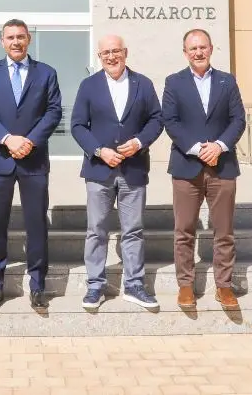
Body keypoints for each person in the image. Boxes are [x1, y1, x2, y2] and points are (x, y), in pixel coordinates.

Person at [70, 34, 164, 311]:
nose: (111, 57)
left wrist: (138, 142)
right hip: (99, 170)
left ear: (126, 52)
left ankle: (134, 285)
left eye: (116, 51)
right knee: (96, 230)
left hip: (133, 169)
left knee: (133, 230)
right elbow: (77, 125)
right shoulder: (89, 86)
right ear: (99, 57)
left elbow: (156, 119)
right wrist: (99, 150)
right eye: (105, 53)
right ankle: (95, 285)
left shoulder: (143, 84)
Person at [0, 19, 63, 310]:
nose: (16, 42)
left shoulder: (46, 73)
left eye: (21, 37)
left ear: (29, 40)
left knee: (37, 224)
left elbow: (53, 112)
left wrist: (30, 141)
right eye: (10, 37)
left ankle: (38, 284)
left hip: (34, 160)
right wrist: (7, 139)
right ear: (2, 41)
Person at [161, 28, 246, 312]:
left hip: (222, 166)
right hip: (187, 166)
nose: (198, 52)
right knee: (184, 230)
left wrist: (219, 146)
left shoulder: (227, 81)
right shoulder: (174, 83)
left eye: (203, 47)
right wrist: (199, 149)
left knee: (224, 231)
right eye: (192, 48)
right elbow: (171, 122)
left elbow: (238, 120)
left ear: (211, 49)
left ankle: (224, 286)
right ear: (185, 53)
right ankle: (186, 286)